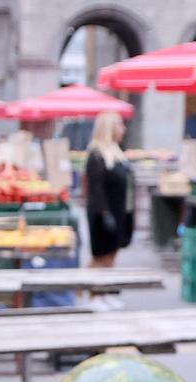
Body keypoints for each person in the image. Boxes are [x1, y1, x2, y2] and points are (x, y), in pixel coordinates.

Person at [83, 110, 134, 277]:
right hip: (103, 214)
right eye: (119, 125)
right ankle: (94, 294)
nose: (123, 129)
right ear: (109, 128)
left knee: (112, 253)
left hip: (119, 211)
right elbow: (95, 188)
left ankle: (104, 291)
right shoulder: (96, 154)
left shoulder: (116, 152)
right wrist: (104, 213)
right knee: (100, 256)